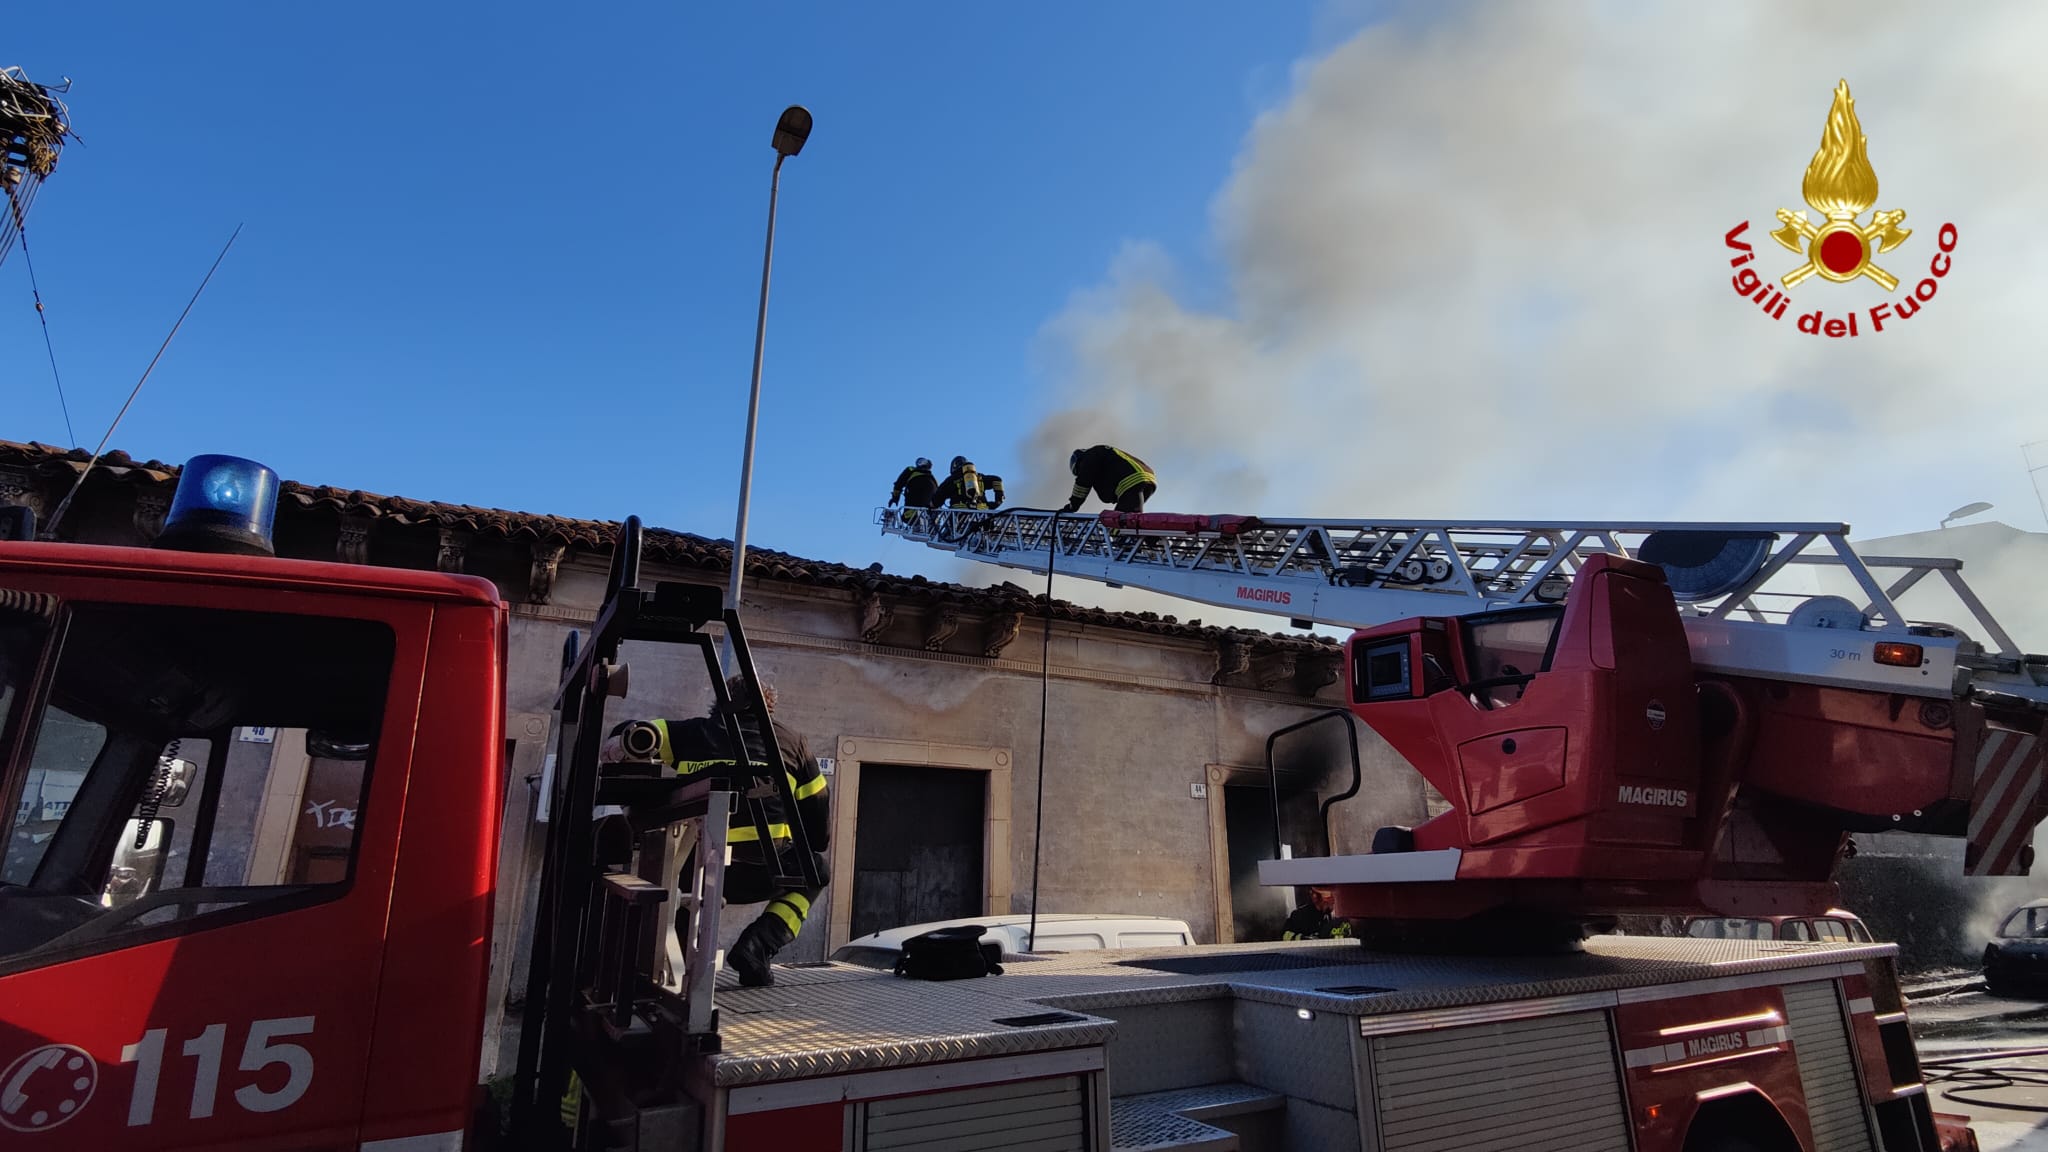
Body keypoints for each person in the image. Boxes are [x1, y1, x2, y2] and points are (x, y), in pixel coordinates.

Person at [606, 675, 830, 987]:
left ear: (720, 701)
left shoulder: (692, 733)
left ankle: (673, 972)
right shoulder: (795, 744)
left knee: (675, 887)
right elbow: (819, 831)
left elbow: (638, 732)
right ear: (770, 707)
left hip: (695, 871)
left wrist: (620, 741)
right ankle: (757, 947)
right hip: (764, 872)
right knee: (816, 870)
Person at [1061, 445, 1155, 513]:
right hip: (1148, 480)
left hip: (1130, 482)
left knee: (1118, 525)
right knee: (1134, 520)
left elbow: (1083, 483)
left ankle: (1148, 539)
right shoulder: (1102, 453)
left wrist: (1073, 506)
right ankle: (1154, 539)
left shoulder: (1089, 457)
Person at [931, 455, 1004, 511]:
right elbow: (997, 480)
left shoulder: (951, 480)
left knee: (951, 530)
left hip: (960, 515)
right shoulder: (979, 477)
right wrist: (998, 501)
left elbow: (939, 497)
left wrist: (932, 505)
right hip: (982, 513)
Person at [1281, 886, 1353, 941]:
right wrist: (1306, 939)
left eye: (1334, 896)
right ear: (1314, 897)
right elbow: (1285, 935)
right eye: (1327, 898)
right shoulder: (1300, 916)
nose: (1332, 900)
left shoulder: (1340, 916)